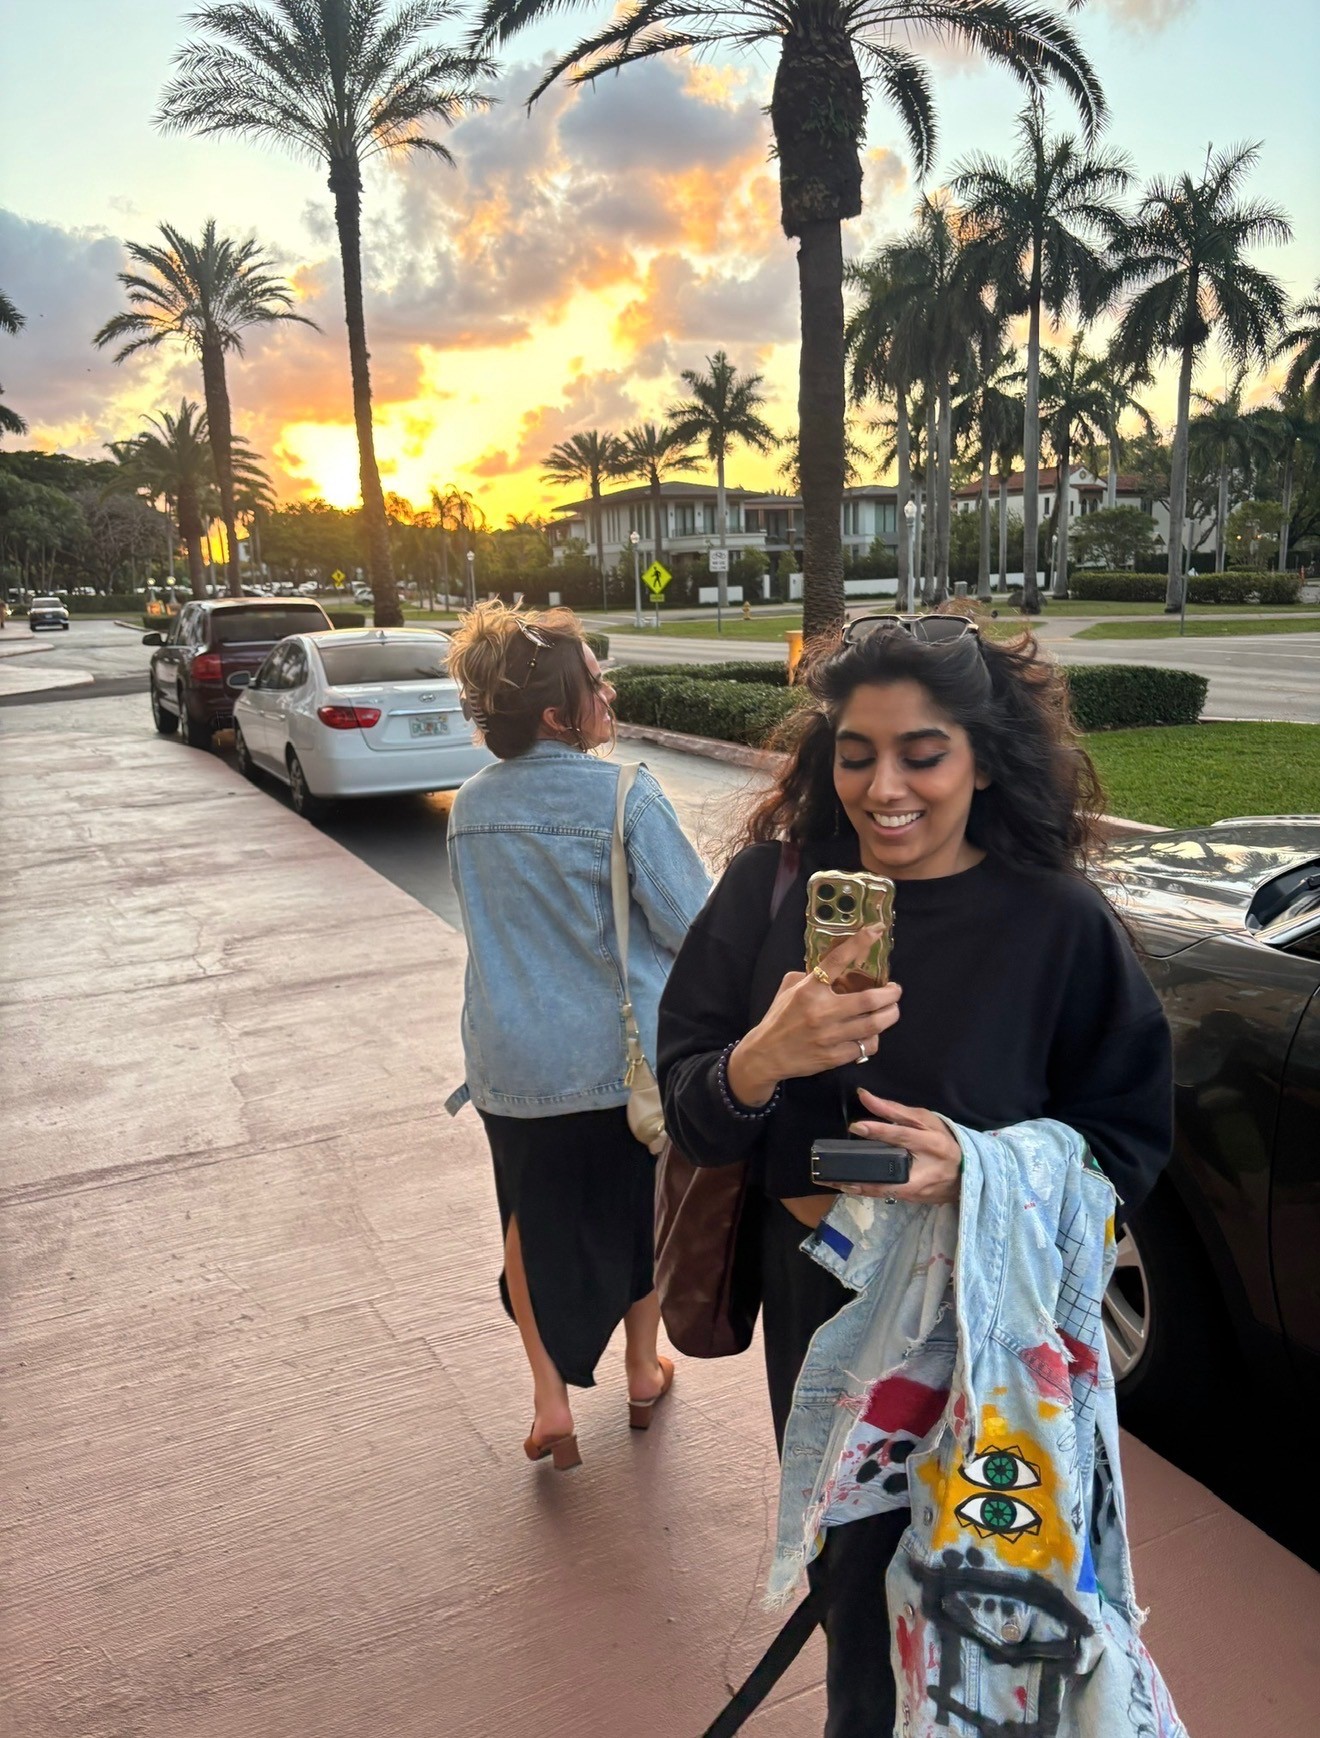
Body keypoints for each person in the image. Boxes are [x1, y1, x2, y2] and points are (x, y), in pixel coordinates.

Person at [657, 613, 1173, 1736]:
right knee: (856, 1598)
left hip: (985, 1327)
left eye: (921, 752)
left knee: (988, 1592)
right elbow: (689, 1110)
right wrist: (761, 1059)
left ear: (983, 757)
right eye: (855, 752)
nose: (883, 785)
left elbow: (1129, 1139)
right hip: (822, 1302)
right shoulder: (767, 891)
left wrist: (978, 1168)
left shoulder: (1058, 922)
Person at [445, 602, 710, 1471]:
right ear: (560, 714)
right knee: (637, 1217)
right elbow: (689, 925)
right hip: (619, 1063)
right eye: (596, 682)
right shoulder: (627, 793)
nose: (609, 691)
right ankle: (641, 1370)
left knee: (526, 1222)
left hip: (508, 1060)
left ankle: (550, 1402)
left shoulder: (469, 806)